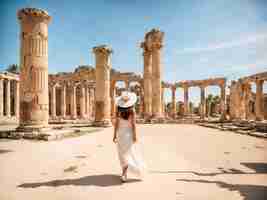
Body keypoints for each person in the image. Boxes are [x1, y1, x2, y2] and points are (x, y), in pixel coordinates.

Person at [113, 91, 145, 182]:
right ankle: (126, 173)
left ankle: (124, 173)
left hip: (120, 134)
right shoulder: (132, 111)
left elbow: (116, 124)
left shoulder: (118, 111)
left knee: (122, 154)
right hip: (128, 134)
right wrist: (135, 136)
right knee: (129, 153)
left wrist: (114, 135)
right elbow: (133, 125)